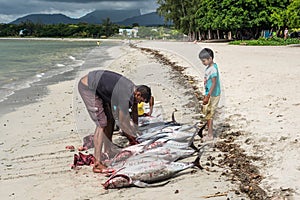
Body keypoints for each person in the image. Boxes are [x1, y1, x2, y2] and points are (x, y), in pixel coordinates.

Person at [78, 70, 151, 173]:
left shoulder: (133, 90)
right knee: (101, 123)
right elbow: (121, 122)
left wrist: (135, 128)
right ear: (138, 94)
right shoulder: (126, 94)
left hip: (99, 89)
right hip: (88, 88)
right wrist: (132, 138)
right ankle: (97, 164)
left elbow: (133, 110)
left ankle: (108, 149)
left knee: (110, 117)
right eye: (140, 101)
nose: (139, 103)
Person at [198, 48, 221, 141]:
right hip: (209, 93)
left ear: (210, 59)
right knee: (207, 113)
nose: (202, 63)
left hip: (213, 94)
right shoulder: (210, 67)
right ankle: (209, 131)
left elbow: (214, 83)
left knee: (209, 115)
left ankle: (210, 135)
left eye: (204, 61)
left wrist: (208, 96)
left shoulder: (213, 70)